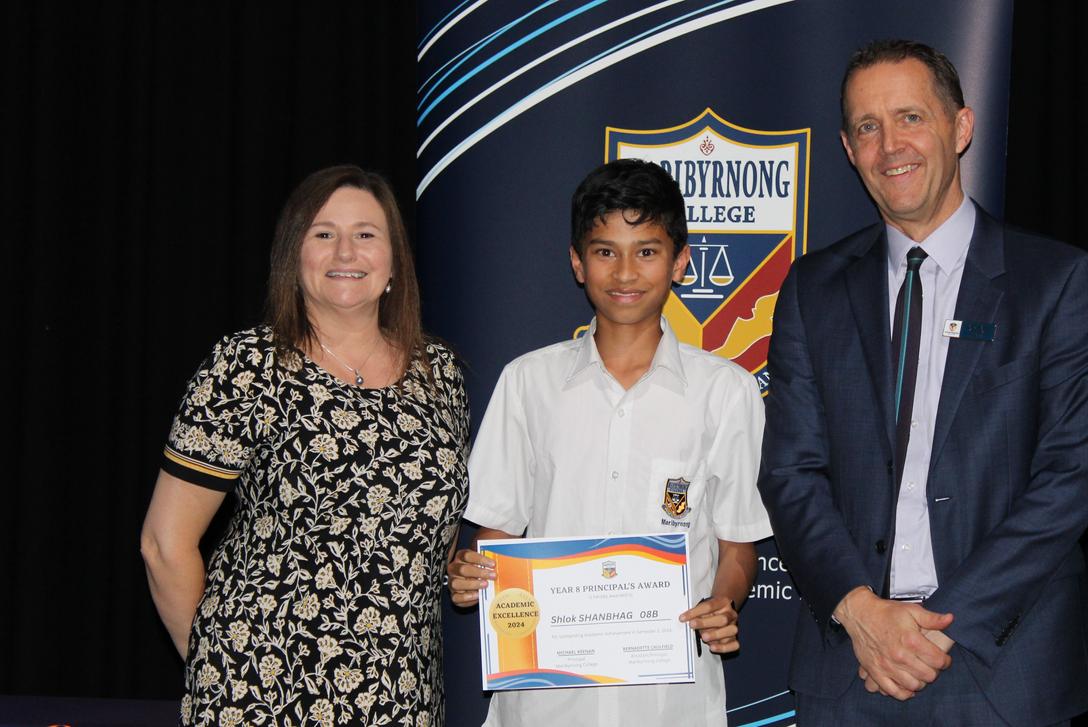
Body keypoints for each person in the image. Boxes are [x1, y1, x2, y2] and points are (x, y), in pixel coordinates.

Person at [757, 40, 1088, 726]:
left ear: (960, 127)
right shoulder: (812, 289)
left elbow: (1070, 478)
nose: (890, 145)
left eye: (910, 117)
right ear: (848, 148)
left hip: (1000, 670)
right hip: (850, 666)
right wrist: (861, 613)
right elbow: (790, 471)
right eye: (867, 127)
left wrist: (939, 628)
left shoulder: (1058, 283)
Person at [447, 158, 772, 726]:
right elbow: (495, 535)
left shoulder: (726, 391)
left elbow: (737, 542)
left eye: (646, 251)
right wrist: (472, 574)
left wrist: (723, 602)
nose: (625, 272)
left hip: (671, 704)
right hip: (544, 702)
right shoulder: (527, 383)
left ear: (680, 262)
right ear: (578, 262)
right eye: (605, 252)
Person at [140, 165, 469, 726]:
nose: (346, 251)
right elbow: (163, 545)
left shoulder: (439, 374)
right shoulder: (246, 366)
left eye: (366, 234)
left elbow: (432, 538)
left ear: (394, 261)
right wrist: (220, 667)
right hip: (259, 695)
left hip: (402, 697)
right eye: (323, 233)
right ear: (294, 256)